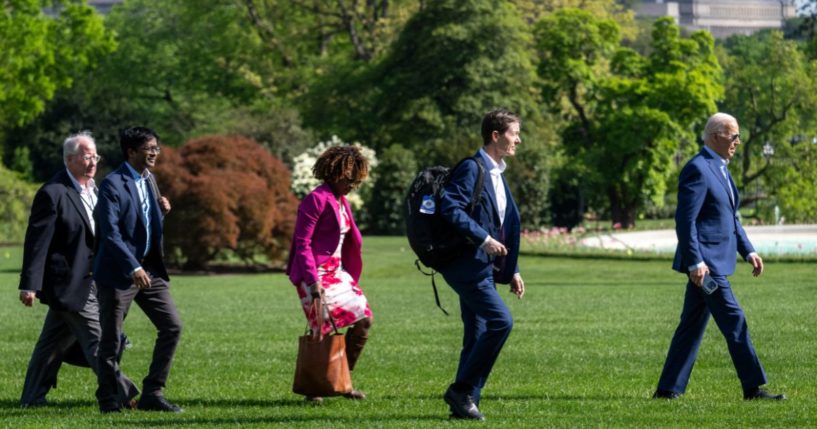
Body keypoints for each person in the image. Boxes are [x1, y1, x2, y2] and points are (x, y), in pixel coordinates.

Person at [653, 112, 785, 401]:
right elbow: (685, 222)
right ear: (716, 136)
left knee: (690, 327)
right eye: (733, 135)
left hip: (710, 265)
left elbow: (730, 219)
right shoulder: (698, 169)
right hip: (707, 266)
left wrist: (748, 250)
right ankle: (753, 388)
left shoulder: (721, 169)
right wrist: (695, 261)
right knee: (734, 319)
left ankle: (668, 390)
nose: (737, 141)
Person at [17, 132, 139, 408]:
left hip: (98, 281)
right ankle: (125, 395)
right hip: (68, 282)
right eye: (86, 157)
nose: (93, 162)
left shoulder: (97, 190)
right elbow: (37, 243)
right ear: (69, 159)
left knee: (52, 343)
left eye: (95, 156)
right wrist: (30, 285)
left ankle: (32, 397)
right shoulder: (53, 193)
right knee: (99, 341)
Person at [439, 109, 525, 420]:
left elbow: (502, 224)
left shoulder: (497, 174)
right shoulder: (472, 169)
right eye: (514, 133)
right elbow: (449, 207)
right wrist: (482, 239)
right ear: (496, 135)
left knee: (476, 335)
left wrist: (511, 268)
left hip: (484, 266)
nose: (518, 139)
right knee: (501, 321)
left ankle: (464, 406)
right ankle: (461, 389)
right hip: (467, 266)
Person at [94, 126, 183, 413]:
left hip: (150, 272)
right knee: (111, 340)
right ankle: (108, 399)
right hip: (119, 273)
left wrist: (162, 213)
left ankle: (153, 393)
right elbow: (110, 233)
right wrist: (132, 266)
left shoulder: (150, 180)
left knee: (172, 326)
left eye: (156, 147)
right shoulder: (111, 184)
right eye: (149, 148)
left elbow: (143, 225)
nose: (155, 153)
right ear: (131, 152)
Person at [286, 145, 373, 403]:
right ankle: (313, 391)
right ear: (335, 173)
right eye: (349, 179)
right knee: (320, 329)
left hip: (337, 272)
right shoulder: (316, 199)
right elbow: (302, 243)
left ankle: (342, 380)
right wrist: (313, 282)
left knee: (365, 320)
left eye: (357, 181)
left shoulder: (341, 200)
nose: (353, 185)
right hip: (313, 274)